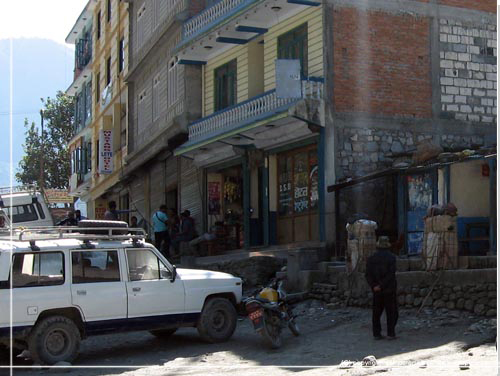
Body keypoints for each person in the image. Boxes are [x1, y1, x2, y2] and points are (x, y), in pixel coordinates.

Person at [365, 236, 398, 340]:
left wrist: (374, 286)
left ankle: (376, 334)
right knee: (391, 312)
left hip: (376, 291)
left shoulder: (371, 258)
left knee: (376, 313)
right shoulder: (392, 258)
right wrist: (382, 285)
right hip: (389, 289)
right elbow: (390, 275)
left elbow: (368, 275)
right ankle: (391, 333)